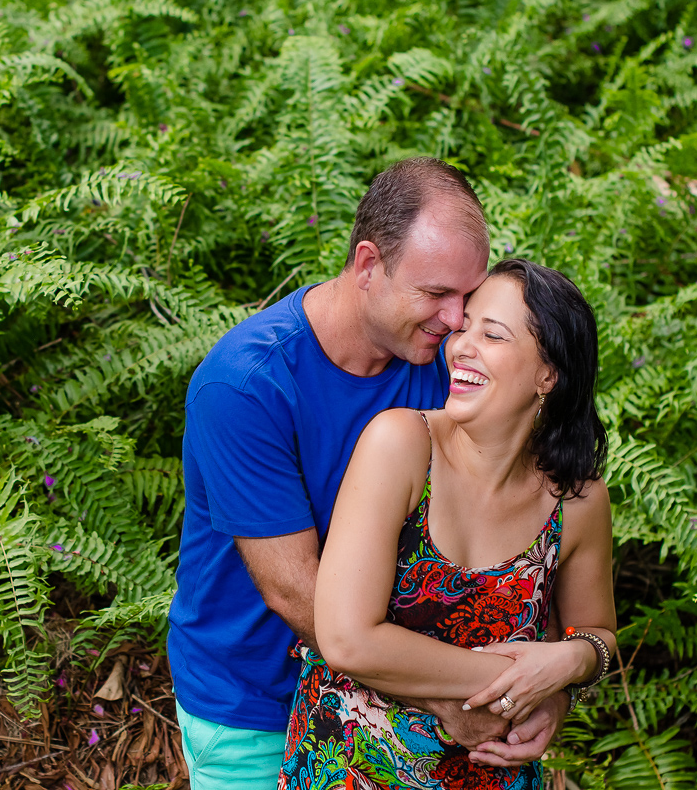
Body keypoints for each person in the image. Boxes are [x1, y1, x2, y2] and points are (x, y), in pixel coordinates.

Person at [168, 158, 571, 789]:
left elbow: (518, 530)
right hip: (255, 703)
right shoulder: (246, 386)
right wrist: (469, 695)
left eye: (468, 296)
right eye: (435, 292)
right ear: (366, 265)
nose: (456, 319)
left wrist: (548, 687)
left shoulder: (447, 365)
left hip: (404, 703)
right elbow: (299, 594)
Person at [279, 259, 617, 788]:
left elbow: (595, 634)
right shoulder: (401, 445)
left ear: (547, 374)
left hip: (494, 777)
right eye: (464, 328)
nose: (461, 346)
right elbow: (346, 638)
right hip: (350, 767)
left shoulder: (577, 500)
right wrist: (518, 682)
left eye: (493, 334)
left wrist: (563, 678)